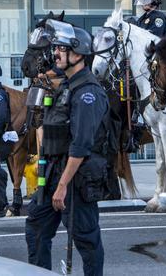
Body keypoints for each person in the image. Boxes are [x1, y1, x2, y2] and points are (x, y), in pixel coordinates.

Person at [25, 21, 108, 276]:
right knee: (36, 229)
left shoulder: (87, 93)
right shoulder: (66, 87)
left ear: (78, 54)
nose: (56, 53)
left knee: (86, 239)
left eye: (62, 48)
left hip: (75, 178)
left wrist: (62, 185)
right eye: (56, 48)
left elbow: (81, 146)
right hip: (53, 172)